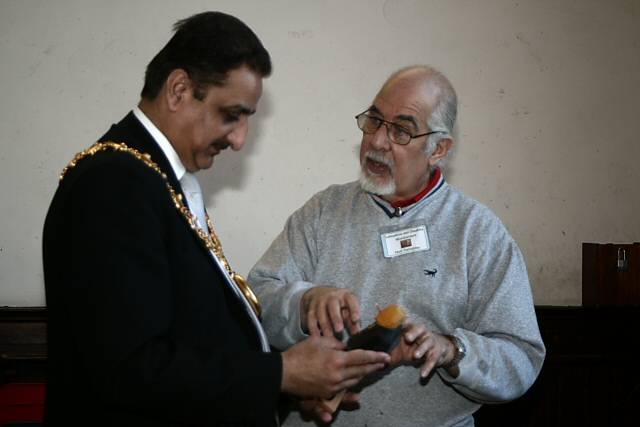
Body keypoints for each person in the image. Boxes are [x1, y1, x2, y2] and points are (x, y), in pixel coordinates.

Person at [42, 12, 390, 427]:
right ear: (179, 90)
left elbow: (192, 344)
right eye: (231, 114)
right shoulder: (112, 183)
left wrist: (287, 390)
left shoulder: (152, 178)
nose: (240, 140)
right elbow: (129, 370)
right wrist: (284, 374)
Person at [248, 65, 546, 426]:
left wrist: (451, 350)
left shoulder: (478, 233)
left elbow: (521, 359)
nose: (376, 141)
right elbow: (255, 305)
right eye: (374, 120)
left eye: (401, 130)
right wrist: (304, 302)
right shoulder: (323, 212)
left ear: (439, 149)